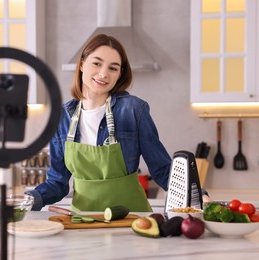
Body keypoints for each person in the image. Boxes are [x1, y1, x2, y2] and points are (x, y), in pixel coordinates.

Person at [26, 34, 171, 212]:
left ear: (120, 74)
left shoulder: (134, 110)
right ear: (81, 64)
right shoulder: (62, 117)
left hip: (132, 220)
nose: (103, 74)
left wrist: (196, 195)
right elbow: (57, 182)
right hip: (83, 222)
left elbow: (162, 169)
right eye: (97, 63)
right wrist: (27, 200)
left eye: (113, 68)